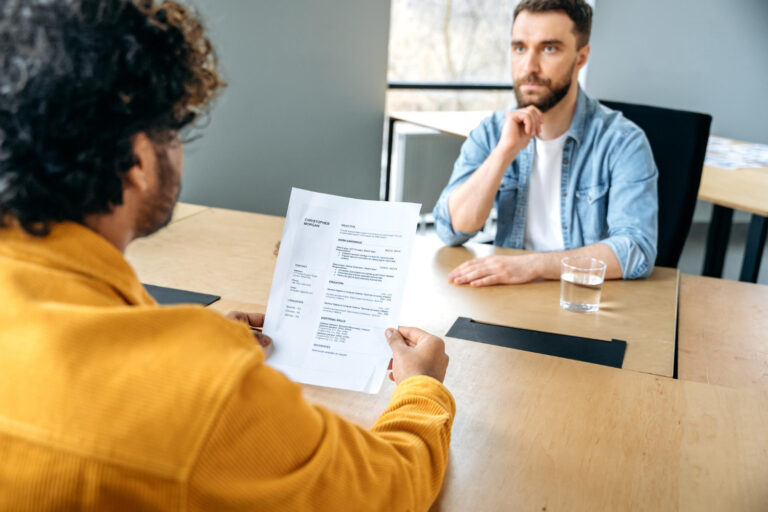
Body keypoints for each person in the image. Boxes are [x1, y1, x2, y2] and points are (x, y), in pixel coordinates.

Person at [0, 1, 453, 509]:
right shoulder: (196, 390)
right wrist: (421, 387)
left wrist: (191, 344)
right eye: (173, 128)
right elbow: (383, 488)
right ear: (138, 161)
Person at [433, 0, 658, 287]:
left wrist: (533, 265)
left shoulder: (623, 142)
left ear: (581, 57)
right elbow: (451, 229)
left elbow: (637, 250)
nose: (529, 66)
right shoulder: (492, 131)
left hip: (581, 301)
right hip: (507, 297)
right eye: (519, 48)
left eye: (549, 48)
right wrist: (504, 153)